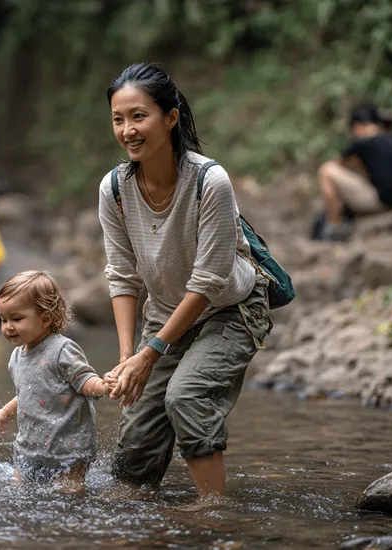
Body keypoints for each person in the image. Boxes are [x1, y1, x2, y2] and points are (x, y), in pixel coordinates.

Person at [98, 63, 272, 500]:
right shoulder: (114, 188)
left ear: (170, 118)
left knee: (187, 396)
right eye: (119, 119)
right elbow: (122, 276)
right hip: (164, 314)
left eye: (139, 116)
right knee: (135, 444)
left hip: (232, 308)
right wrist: (127, 358)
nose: (128, 130)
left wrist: (150, 354)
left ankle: (213, 513)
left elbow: (210, 280)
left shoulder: (209, 181)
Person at [0, 270, 113, 493]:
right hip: (30, 448)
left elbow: (83, 380)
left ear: (45, 319)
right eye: (3, 319)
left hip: (69, 448)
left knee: (69, 493)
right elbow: (28, 391)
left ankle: (73, 525)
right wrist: (6, 411)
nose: (8, 326)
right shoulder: (17, 356)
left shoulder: (61, 349)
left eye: (16, 319)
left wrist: (103, 386)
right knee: (19, 489)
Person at [315, 103, 392, 241]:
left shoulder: (363, 143)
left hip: (382, 202)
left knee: (326, 170)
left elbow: (336, 163)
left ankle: (333, 227)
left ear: (358, 126)